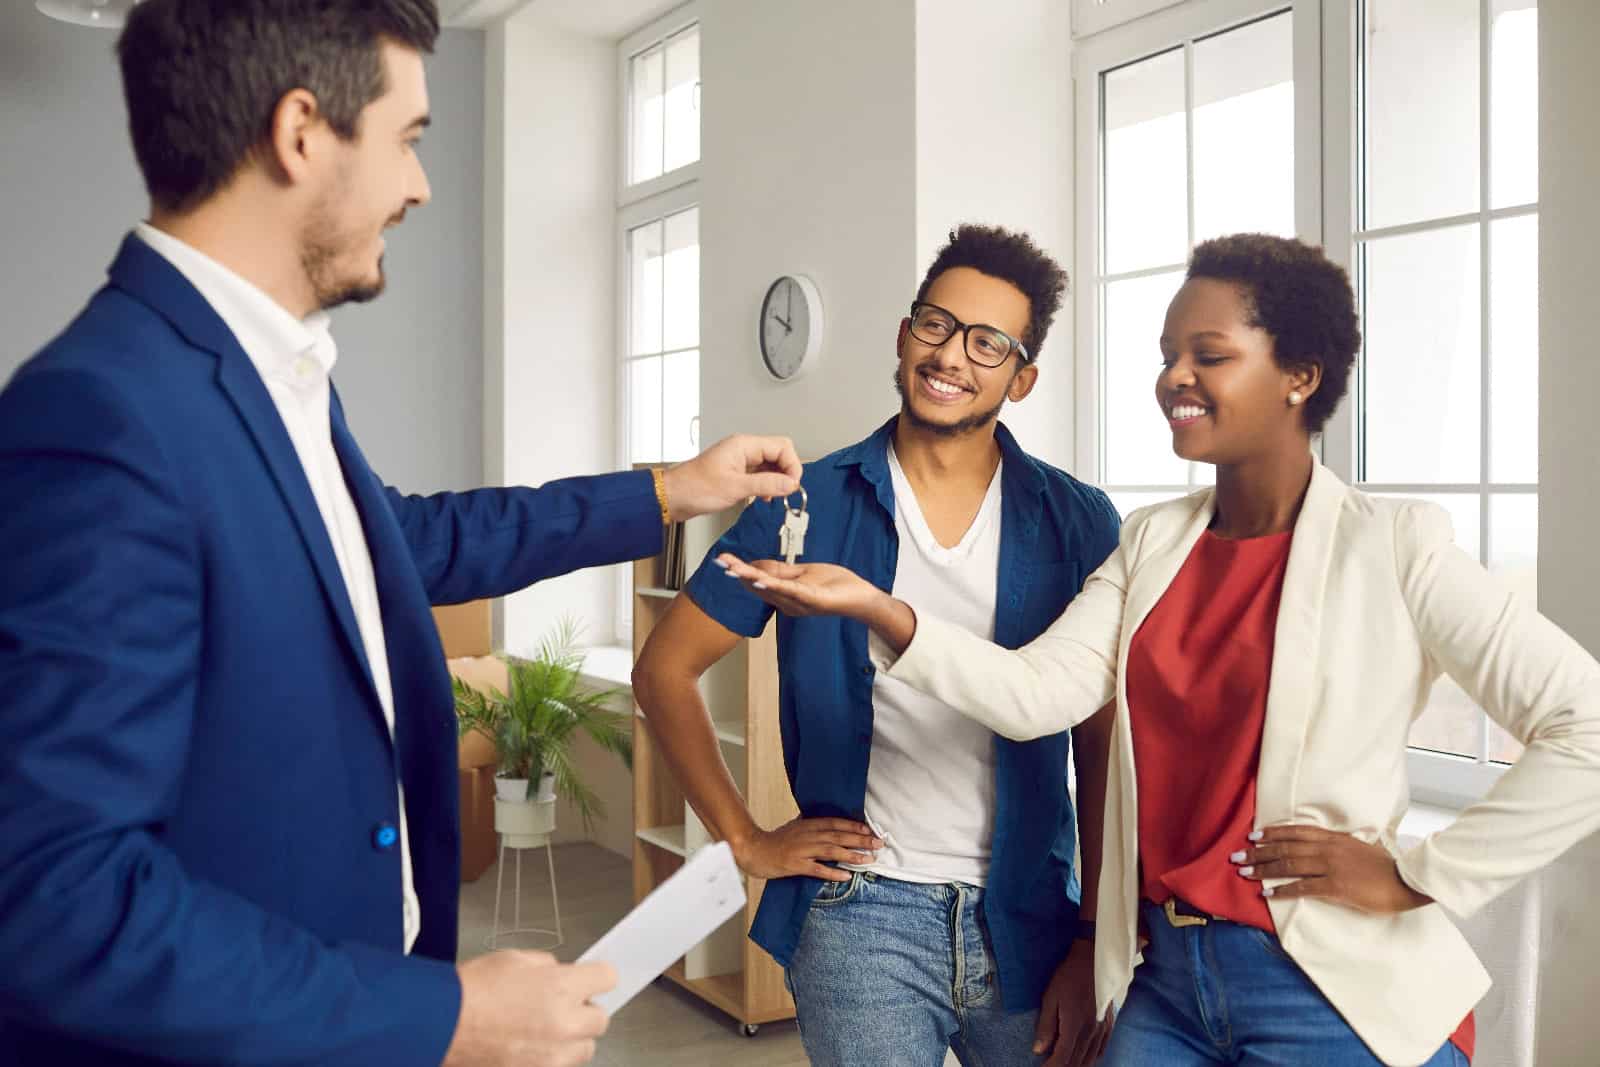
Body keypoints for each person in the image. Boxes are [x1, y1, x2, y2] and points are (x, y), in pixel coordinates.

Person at [0, 3, 798, 1065]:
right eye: (408, 139)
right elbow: (56, 893)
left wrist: (666, 490)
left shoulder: (270, 378)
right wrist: (442, 1016)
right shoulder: (102, 417)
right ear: (300, 133)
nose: (419, 185)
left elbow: (410, 541)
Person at [718, 233, 1600, 1066]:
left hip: (1323, 983)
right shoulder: (1151, 542)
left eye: (1208, 355)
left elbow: (1583, 725)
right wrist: (884, 609)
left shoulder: (1398, 544)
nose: (1174, 375)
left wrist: (1416, 873)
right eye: (1169, 353)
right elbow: (1035, 693)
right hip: (1164, 984)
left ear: (1299, 376)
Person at [634, 224, 1121, 1066]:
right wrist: (746, 839)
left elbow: (1102, 742)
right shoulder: (804, 505)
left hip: (1033, 920)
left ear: (1023, 376)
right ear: (904, 335)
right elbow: (664, 669)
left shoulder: (1077, 520)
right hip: (860, 916)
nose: (951, 356)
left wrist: (1091, 939)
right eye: (935, 325)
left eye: (987, 342)